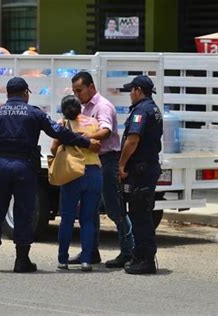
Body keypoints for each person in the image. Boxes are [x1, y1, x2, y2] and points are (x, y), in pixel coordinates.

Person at [0, 77, 100, 273]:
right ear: (25, 93)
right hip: (25, 167)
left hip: (1, 167)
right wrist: (86, 143)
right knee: (24, 212)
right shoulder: (35, 113)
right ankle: (22, 260)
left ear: (8, 94)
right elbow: (60, 133)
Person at [70, 71, 135, 268]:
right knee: (88, 209)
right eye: (74, 91)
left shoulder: (102, 106)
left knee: (115, 209)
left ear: (91, 87)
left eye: (79, 90)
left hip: (108, 161)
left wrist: (82, 140)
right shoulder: (83, 107)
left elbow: (106, 131)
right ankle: (90, 251)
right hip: (93, 162)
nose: (77, 95)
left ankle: (128, 252)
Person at [51, 95, 103, 272]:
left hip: (72, 173)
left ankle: (63, 260)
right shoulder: (93, 122)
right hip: (94, 173)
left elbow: (53, 148)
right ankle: (86, 260)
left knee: (67, 218)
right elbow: (99, 143)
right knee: (88, 219)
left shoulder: (62, 124)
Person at [119, 75, 162, 275]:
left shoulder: (141, 111)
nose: (130, 95)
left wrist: (121, 164)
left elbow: (133, 140)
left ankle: (145, 260)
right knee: (142, 212)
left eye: (131, 91)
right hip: (147, 168)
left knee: (139, 214)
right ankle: (142, 256)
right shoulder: (153, 109)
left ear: (138, 90)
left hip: (140, 170)